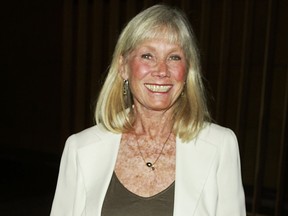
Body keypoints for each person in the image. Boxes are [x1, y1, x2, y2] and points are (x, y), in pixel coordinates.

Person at [50, 4, 246, 216]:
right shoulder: (80, 149)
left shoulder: (220, 146)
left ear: (187, 71)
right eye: (147, 56)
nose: (161, 71)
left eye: (174, 57)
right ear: (123, 67)